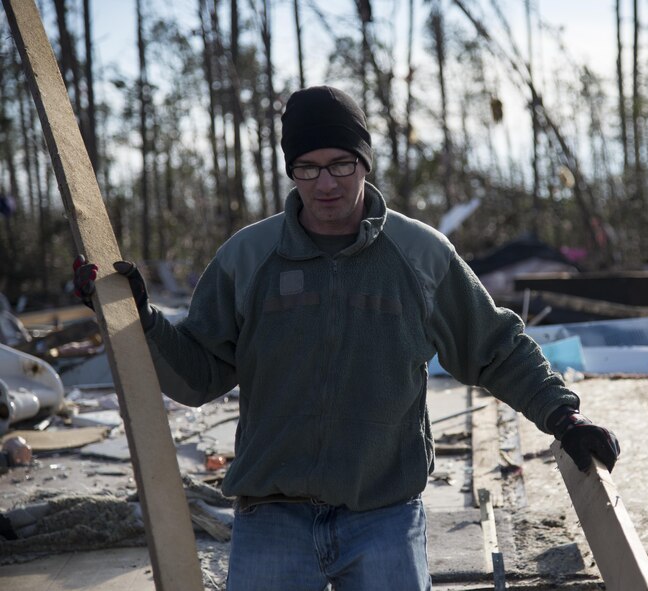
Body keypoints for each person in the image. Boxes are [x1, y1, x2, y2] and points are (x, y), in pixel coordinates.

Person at [73, 85, 619, 591]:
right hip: (272, 518)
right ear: (291, 171)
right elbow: (197, 375)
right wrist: (141, 318)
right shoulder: (248, 258)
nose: (326, 183)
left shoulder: (420, 255)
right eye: (307, 169)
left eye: (341, 164)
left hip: (382, 517)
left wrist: (563, 417)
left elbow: (495, 349)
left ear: (364, 161)